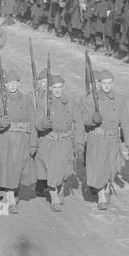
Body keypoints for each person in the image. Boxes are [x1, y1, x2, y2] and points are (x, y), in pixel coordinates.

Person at [79, 69, 129, 211]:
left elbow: (126, 121)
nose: (107, 86)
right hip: (97, 139)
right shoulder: (91, 98)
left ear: (113, 83)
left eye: (109, 83)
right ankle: (101, 195)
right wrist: (92, 119)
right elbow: (83, 119)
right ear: (99, 83)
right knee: (99, 168)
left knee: (111, 168)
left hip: (113, 140)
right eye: (104, 83)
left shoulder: (119, 99)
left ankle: (106, 185)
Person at [0, 67, 38, 213]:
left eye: (15, 83)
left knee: (19, 169)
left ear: (19, 83)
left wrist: (33, 143)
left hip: (22, 140)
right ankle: (10, 200)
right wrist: (0, 123)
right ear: (5, 84)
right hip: (6, 140)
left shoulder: (26, 99)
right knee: (8, 170)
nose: (12, 86)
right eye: (9, 83)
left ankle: (13, 193)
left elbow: (32, 121)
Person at [34, 74, 79, 212]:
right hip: (51, 142)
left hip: (66, 141)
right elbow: (37, 122)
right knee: (53, 170)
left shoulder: (70, 102)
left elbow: (79, 122)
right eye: (54, 87)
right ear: (49, 88)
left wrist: (79, 142)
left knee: (65, 171)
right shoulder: (43, 102)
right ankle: (54, 197)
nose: (58, 90)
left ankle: (60, 189)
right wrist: (43, 124)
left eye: (60, 87)